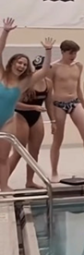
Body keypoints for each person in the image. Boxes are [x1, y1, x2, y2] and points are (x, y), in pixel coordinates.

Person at [0, 19, 54, 192]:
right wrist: (6, 32)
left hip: (7, 122)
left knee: (2, 157)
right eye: (19, 62)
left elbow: (45, 71)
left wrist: (48, 50)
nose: (22, 66)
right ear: (12, 63)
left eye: (24, 64)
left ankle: (3, 186)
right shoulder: (2, 74)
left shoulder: (23, 83)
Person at [48, 39, 84, 182]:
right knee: (58, 139)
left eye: (75, 53)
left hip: (75, 102)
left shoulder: (78, 66)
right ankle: (54, 171)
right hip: (59, 104)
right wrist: (51, 116)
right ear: (63, 52)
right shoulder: (54, 68)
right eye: (70, 53)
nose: (73, 56)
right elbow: (49, 92)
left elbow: (78, 88)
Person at [9, 55, 53, 190]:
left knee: (34, 151)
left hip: (36, 117)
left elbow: (49, 103)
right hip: (20, 115)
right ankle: (2, 181)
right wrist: (33, 107)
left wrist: (53, 121)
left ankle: (30, 181)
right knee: (19, 151)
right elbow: (15, 104)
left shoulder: (48, 83)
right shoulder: (27, 82)